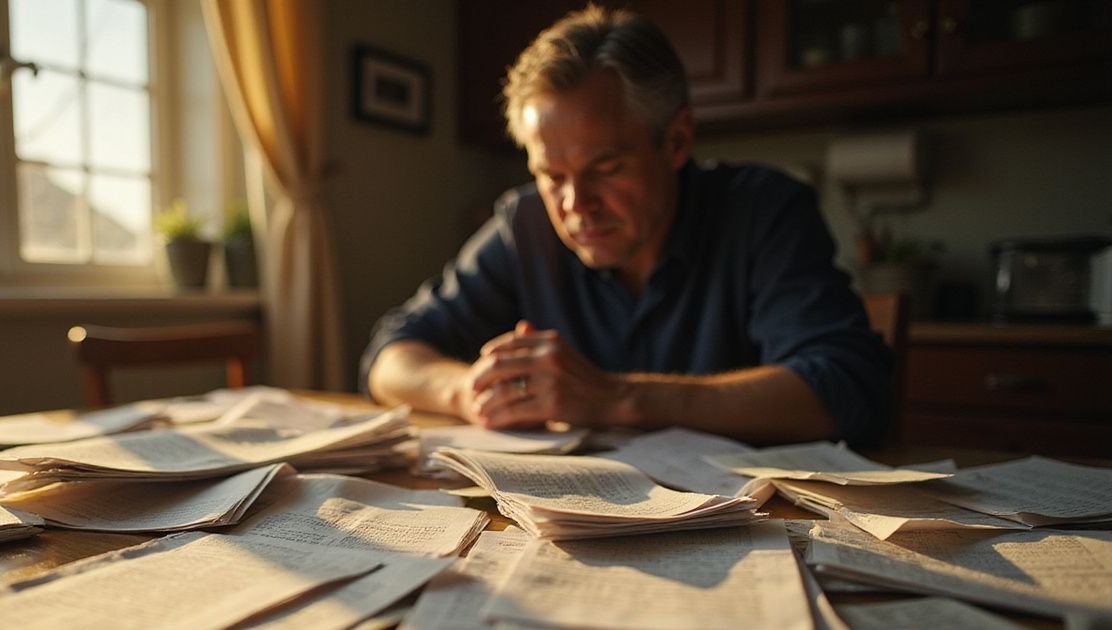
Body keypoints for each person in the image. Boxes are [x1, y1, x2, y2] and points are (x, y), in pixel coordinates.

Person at [360, 5, 892, 446]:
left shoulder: (764, 210)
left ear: (677, 141)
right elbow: (390, 355)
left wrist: (615, 397)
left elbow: (846, 388)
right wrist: (469, 391)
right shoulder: (524, 223)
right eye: (551, 175)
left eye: (606, 169)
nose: (576, 205)